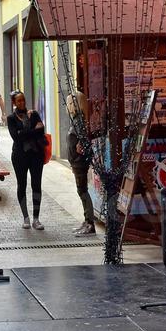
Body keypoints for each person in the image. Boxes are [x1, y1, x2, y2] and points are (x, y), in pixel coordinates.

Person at [7, 91, 47, 230]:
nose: (22, 103)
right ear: (14, 103)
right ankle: (26, 217)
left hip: (36, 155)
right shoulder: (11, 118)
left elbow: (41, 131)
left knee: (36, 185)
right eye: (19, 101)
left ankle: (36, 218)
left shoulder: (34, 114)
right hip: (20, 156)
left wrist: (23, 132)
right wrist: (32, 130)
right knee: (21, 185)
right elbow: (16, 138)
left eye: (23, 100)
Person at [65, 92, 96, 235]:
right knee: (81, 191)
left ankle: (90, 223)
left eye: (70, 102)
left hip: (79, 162)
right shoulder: (77, 120)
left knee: (82, 191)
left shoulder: (79, 121)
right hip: (77, 161)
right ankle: (87, 221)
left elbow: (81, 143)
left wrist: (77, 153)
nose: (68, 106)